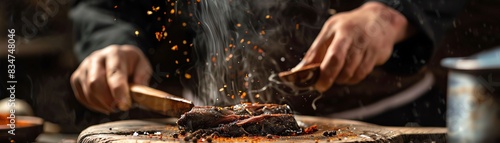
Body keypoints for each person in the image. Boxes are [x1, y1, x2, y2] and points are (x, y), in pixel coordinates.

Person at [68, 0, 465, 130]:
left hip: (388, 116)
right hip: (206, 124)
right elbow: (101, 5)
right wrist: (110, 41)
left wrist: (391, 12)